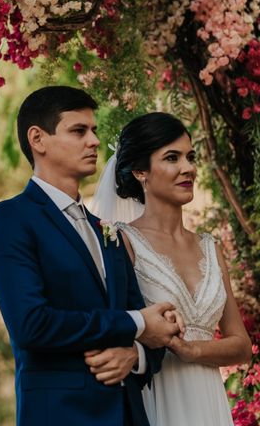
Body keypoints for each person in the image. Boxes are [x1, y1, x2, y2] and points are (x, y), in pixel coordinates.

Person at [0, 86, 182, 426]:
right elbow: (33, 325)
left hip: (129, 415)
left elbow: (149, 324)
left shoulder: (108, 231)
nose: (93, 141)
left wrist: (136, 355)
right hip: (62, 415)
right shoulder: (11, 220)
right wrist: (137, 323)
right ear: (37, 139)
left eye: (94, 131)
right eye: (79, 131)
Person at [92, 112, 253, 425]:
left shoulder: (210, 246)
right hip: (157, 396)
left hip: (211, 403)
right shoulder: (122, 242)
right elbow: (113, 328)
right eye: (172, 157)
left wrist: (191, 350)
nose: (188, 168)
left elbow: (241, 345)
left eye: (190, 157)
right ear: (140, 170)